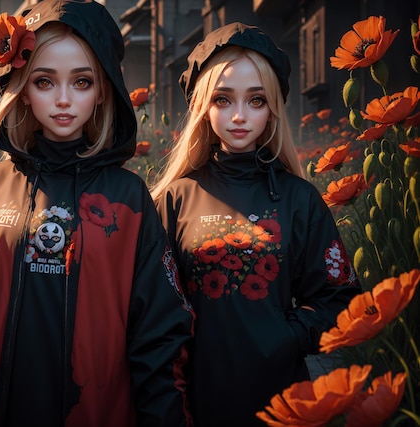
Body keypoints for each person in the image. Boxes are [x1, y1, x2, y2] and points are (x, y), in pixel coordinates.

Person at [0, 1, 194, 426]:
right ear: (23, 87)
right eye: (45, 81)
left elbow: (159, 327)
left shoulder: (130, 198)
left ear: (103, 90)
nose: (63, 99)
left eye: (81, 82)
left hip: (99, 411)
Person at [150, 23, 362, 426]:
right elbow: (152, 315)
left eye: (256, 100)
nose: (240, 116)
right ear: (203, 107)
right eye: (223, 100)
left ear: (273, 108)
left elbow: (343, 301)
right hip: (194, 402)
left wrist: (284, 335)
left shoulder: (299, 199)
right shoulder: (175, 199)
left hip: (283, 402)